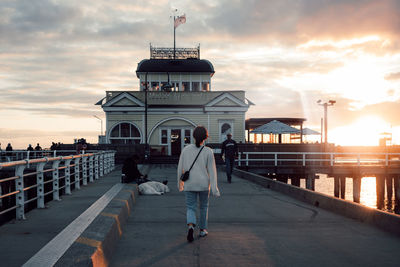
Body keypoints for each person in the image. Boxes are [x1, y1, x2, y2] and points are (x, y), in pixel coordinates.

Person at [177, 126, 220, 243]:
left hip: (189, 183)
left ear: (193, 136)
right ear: (205, 137)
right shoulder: (208, 151)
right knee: (203, 207)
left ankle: (190, 226)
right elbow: (212, 170)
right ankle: (202, 230)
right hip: (203, 184)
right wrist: (215, 188)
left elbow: (180, 167)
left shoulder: (186, 150)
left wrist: (180, 184)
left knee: (190, 207)